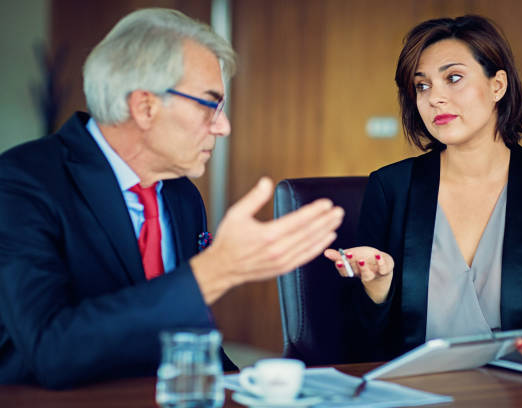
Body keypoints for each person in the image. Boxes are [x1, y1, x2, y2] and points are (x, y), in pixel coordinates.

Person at [0, 8, 344, 389]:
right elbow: (51, 351)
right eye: (209, 105)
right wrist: (215, 270)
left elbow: (190, 339)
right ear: (145, 106)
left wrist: (253, 388)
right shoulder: (22, 181)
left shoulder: (181, 195)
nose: (224, 126)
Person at [325, 15, 522, 370]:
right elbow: (363, 336)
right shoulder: (391, 187)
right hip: (419, 385)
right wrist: (379, 287)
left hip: (518, 384)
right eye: (422, 86)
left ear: (498, 86)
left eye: (454, 78)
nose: (435, 98)